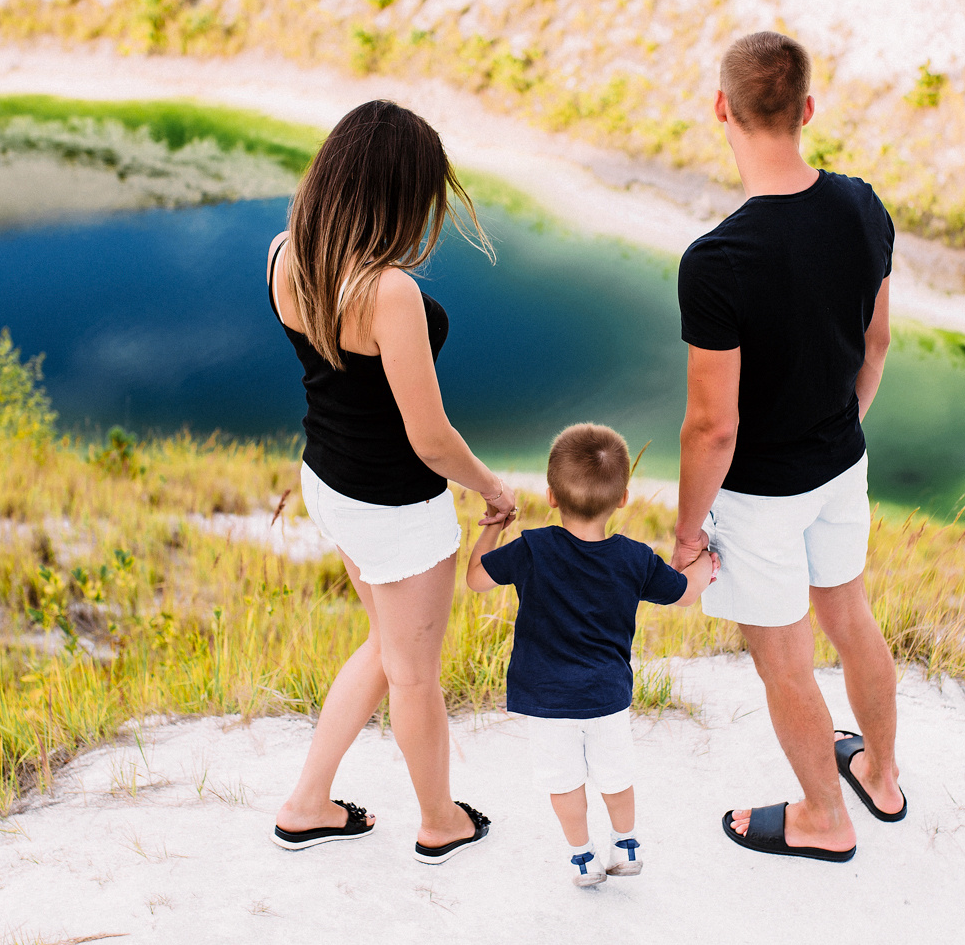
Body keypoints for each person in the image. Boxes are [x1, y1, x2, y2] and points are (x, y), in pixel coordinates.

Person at [671, 31, 907, 864]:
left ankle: (822, 818)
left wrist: (685, 534)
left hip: (760, 496)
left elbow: (713, 427)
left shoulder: (717, 263)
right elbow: (875, 346)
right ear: (806, 110)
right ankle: (879, 776)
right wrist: (835, 429)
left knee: (785, 662)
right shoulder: (863, 206)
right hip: (842, 463)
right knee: (851, 617)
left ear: (721, 111)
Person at [267, 99, 517, 866]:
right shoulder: (389, 293)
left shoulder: (286, 253)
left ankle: (308, 804)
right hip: (396, 510)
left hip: (330, 485)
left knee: (384, 645)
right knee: (414, 677)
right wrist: (492, 490)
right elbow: (430, 436)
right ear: (396, 195)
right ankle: (440, 823)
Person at [466, 423, 715, 886]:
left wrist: (494, 529)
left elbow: (476, 577)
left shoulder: (533, 549)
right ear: (622, 499)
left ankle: (583, 857)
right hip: (607, 695)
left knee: (563, 781)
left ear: (552, 496)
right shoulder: (634, 558)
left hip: (545, 697)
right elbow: (684, 594)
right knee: (616, 775)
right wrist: (705, 563)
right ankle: (626, 844)